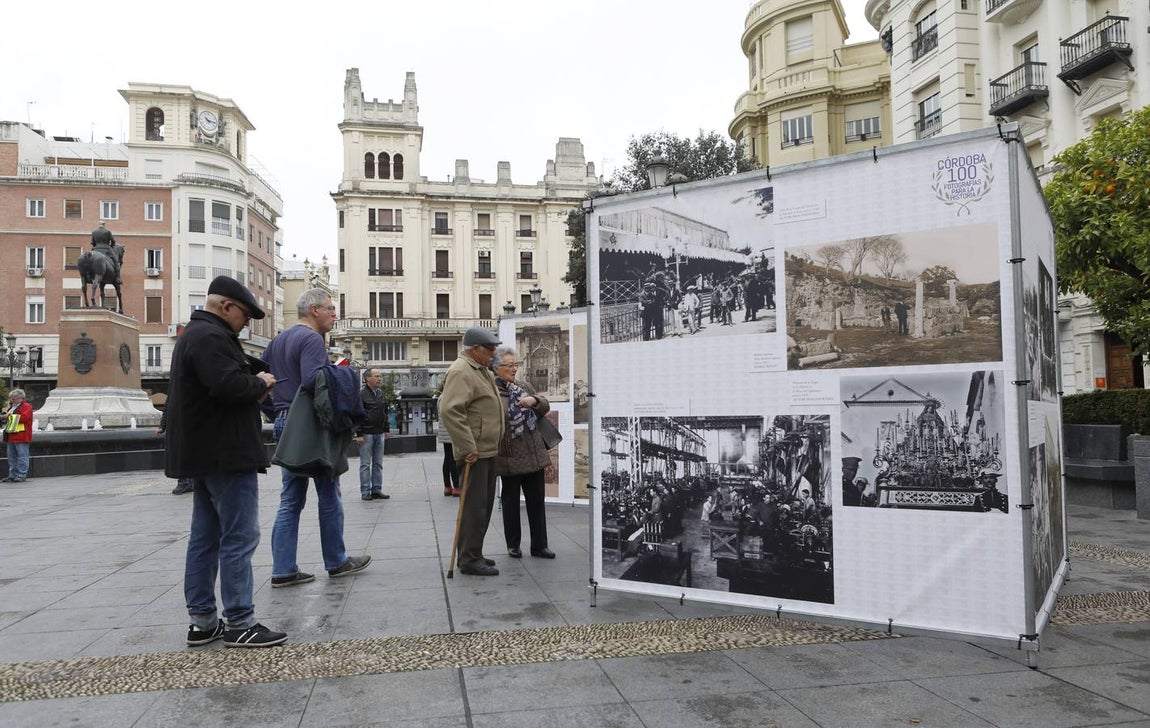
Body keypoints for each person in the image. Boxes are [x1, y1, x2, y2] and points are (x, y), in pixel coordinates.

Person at [164, 275, 287, 648]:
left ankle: (203, 622)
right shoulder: (211, 337)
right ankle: (239, 621)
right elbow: (228, 386)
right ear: (226, 306)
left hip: (205, 454)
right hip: (226, 454)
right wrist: (262, 382)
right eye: (245, 315)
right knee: (239, 536)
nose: (246, 323)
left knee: (205, 539)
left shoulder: (195, 335)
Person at [263, 288, 372, 588]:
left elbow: (262, 383)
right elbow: (313, 380)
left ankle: (283, 569)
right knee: (329, 491)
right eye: (331, 309)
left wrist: (277, 414)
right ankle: (336, 561)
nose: (334, 315)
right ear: (314, 310)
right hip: (309, 424)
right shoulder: (311, 339)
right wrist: (339, 375)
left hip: (285, 422)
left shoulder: (277, 342)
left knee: (290, 499)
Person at [439, 327, 506, 576]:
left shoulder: (480, 369)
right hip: (475, 451)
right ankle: (468, 559)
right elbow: (451, 411)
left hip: (486, 449)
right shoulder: (461, 370)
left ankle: (474, 552)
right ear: (474, 349)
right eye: (490, 349)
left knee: (483, 506)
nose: (493, 353)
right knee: (473, 508)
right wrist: (468, 446)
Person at [491, 346, 555, 560]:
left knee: (537, 502)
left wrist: (534, 401)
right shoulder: (492, 392)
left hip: (533, 453)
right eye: (509, 365)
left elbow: (544, 406)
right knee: (510, 503)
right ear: (496, 368)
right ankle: (513, 545)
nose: (514, 369)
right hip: (509, 456)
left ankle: (540, 546)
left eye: (515, 364)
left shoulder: (523, 386)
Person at [354, 368, 390, 502]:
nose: (379, 378)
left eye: (380, 376)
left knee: (378, 463)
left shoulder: (380, 393)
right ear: (367, 379)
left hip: (379, 433)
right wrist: (359, 433)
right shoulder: (361, 394)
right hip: (366, 434)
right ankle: (365, 491)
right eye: (376, 376)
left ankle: (376, 489)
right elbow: (356, 414)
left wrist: (386, 429)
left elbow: (385, 412)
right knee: (365, 464)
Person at [156, 408, 193, 494]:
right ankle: (186, 481)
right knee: (182, 452)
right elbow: (168, 407)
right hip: (180, 424)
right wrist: (162, 426)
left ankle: (187, 481)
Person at [3, 389, 34, 482]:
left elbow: (24, 418)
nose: (12, 400)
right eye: (11, 398)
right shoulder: (13, 406)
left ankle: (22, 474)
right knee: (12, 457)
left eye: (14, 398)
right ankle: (13, 475)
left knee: (22, 456)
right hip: (12, 435)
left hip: (21, 435)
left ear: (21, 398)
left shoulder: (26, 406)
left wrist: (9, 416)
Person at [436, 417, 460, 497]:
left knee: (447, 457)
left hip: (444, 430)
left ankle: (447, 487)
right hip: (452, 429)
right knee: (453, 458)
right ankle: (456, 487)